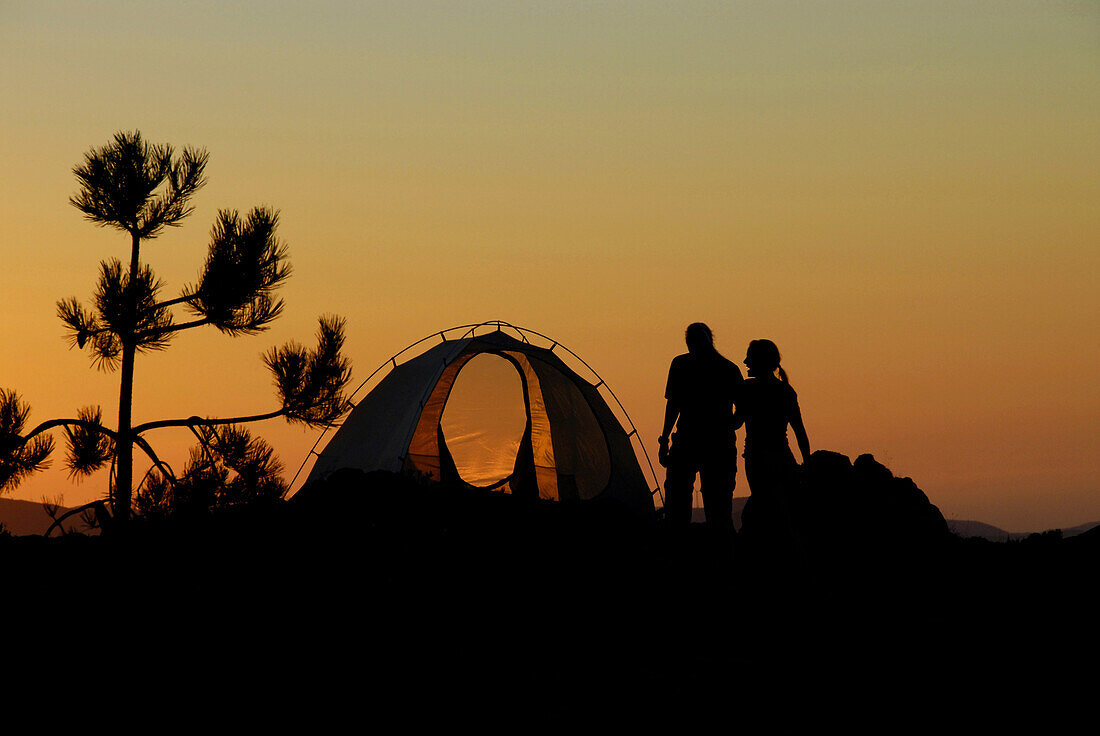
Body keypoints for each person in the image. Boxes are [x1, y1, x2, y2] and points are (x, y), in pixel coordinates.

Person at [659, 323, 743, 549]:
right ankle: (721, 553)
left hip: (689, 440)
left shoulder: (681, 364)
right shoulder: (728, 368)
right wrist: (730, 425)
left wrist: (664, 438)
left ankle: (679, 550)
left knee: (679, 502)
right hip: (717, 443)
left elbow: (673, 406)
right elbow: (742, 409)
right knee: (718, 504)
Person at [734, 339, 810, 559]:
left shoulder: (748, 390)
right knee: (784, 511)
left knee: (763, 506)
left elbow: (735, 422)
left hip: (757, 459)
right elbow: (800, 433)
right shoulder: (786, 391)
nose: (746, 361)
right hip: (783, 457)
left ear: (759, 360)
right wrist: (807, 463)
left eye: (749, 357)